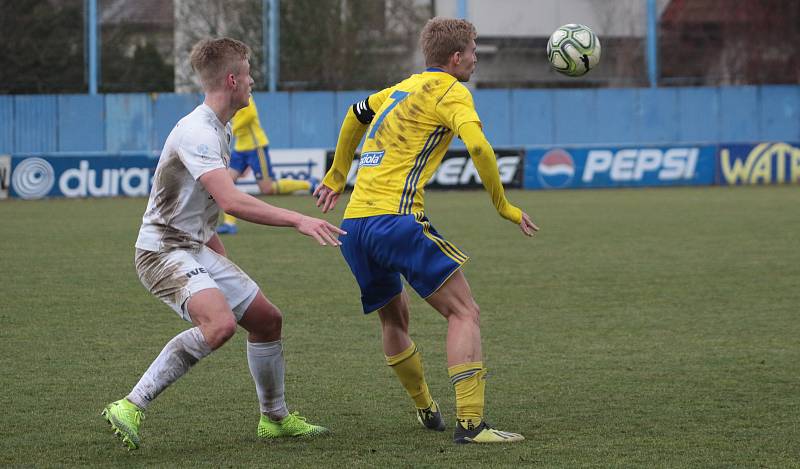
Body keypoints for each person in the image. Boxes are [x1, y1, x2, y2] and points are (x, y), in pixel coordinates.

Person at [101, 37, 344, 450]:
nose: (253, 82)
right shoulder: (198, 132)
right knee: (220, 326)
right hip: (161, 251)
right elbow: (231, 200)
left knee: (267, 321)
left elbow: (205, 204)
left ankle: (275, 419)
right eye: (248, 74)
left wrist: (221, 264)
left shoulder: (221, 126)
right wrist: (299, 219)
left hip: (192, 245)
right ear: (232, 80)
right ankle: (129, 405)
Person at [314, 17, 538, 445]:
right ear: (456, 58)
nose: (475, 58)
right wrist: (503, 206)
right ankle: (471, 425)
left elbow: (354, 113)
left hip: (355, 227)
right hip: (395, 220)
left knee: (393, 319)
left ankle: (425, 408)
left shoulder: (399, 89)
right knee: (464, 312)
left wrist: (337, 174)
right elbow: (477, 145)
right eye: (473, 51)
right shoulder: (453, 91)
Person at [216, 96, 316, 235]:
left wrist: (231, 128)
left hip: (256, 147)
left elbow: (250, 115)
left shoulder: (245, 94)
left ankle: (309, 184)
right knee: (226, 183)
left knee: (267, 188)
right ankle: (229, 224)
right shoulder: (228, 97)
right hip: (240, 148)